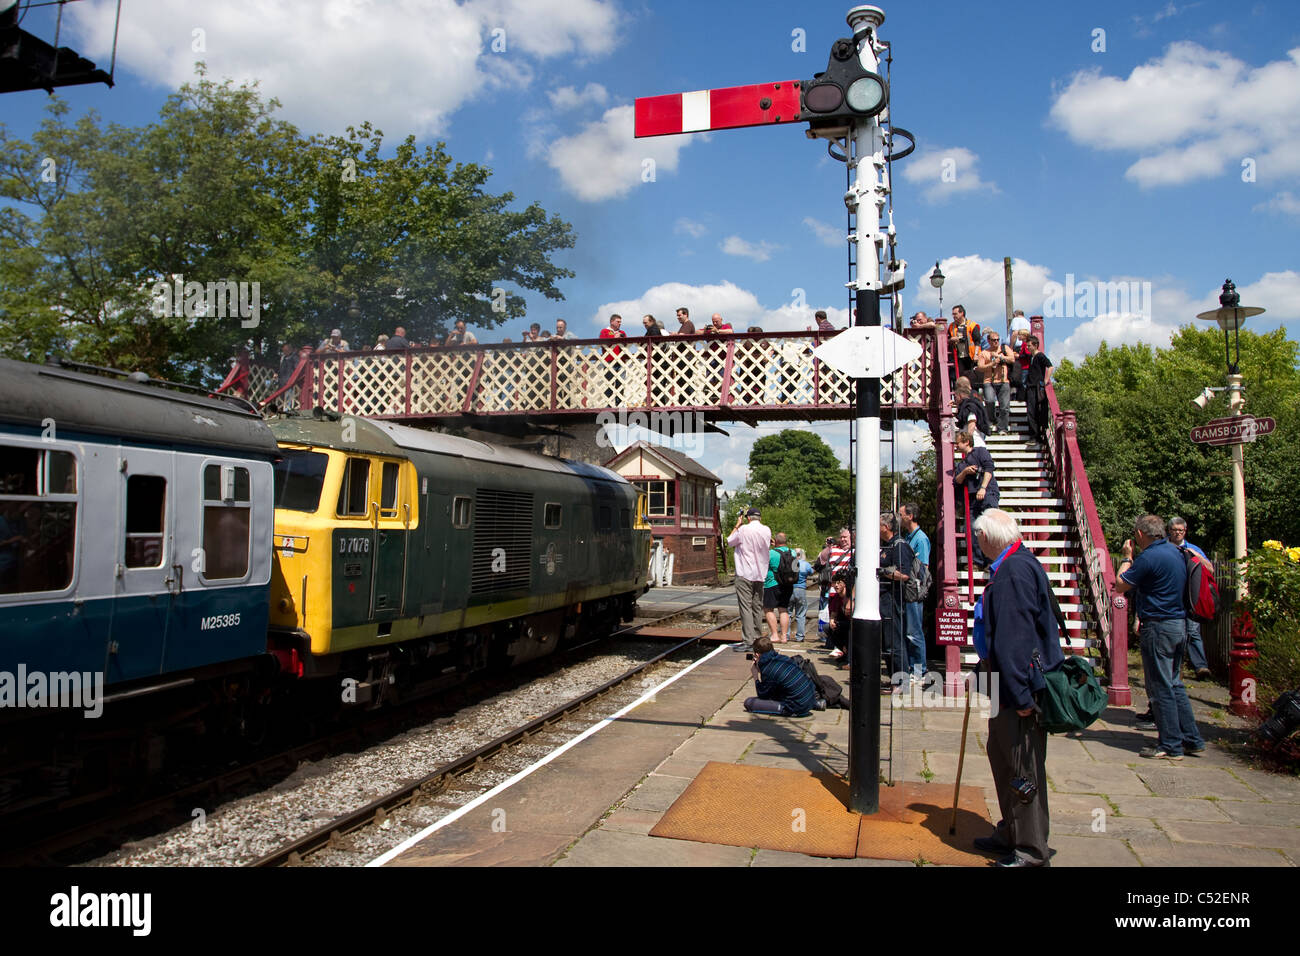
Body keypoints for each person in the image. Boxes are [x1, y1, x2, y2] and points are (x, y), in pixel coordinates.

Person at [971, 508, 1061, 867]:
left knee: (1022, 767)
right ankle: (1012, 832)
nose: (976, 544)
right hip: (1008, 686)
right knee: (1005, 758)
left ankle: (1030, 849)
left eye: (978, 537)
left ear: (987, 538)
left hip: (1017, 692)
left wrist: (1021, 694)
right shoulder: (1020, 563)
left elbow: (1014, 639)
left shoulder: (1012, 572)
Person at [1114, 515, 1206, 760]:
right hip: (1179, 624)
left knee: (1160, 687)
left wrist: (1126, 557)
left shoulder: (1150, 557)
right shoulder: (1176, 552)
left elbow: (1121, 584)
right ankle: (1192, 739)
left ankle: (1171, 745)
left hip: (1158, 625)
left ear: (1141, 534)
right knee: (1175, 683)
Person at [1167, 516, 1214, 680]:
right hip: (1171, 596)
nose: (1178, 533)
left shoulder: (1192, 548)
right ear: (1169, 531)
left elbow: (1210, 569)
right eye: (1175, 530)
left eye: (1181, 530)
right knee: (1175, 632)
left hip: (1191, 596)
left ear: (1185, 531)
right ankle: (1175, 667)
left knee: (1193, 631)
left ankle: (1201, 667)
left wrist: (1196, 555)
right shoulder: (1164, 548)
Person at [727, 507, 771, 652]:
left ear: (748, 518)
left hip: (745, 573)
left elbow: (729, 541)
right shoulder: (767, 530)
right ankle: (758, 639)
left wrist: (736, 525)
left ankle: (748, 640)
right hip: (760, 574)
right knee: (757, 607)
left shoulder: (743, 530)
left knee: (746, 607)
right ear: (760, 518)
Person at [879, 512, 915, 684]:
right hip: (885, 598)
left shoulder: (899, 546)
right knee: (887, 640)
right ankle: (895, 678)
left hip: (894, 598)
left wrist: (884, 572)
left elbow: (904, 574)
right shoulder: (888, 545)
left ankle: (901, 681)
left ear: (886, 527)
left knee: (894, 639)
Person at [744, 636, 821, 716]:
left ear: (757, 655)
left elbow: (763, 695)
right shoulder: (784, 658)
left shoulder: (768, 669)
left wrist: (755, 676)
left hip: (796, 708)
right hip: (810, 698)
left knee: (749, 703)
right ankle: (816, 704)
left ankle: (796, 709)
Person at [954, 431, 1000, 564]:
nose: (956, 445)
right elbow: (957, 481)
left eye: (958, 442)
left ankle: (992, 560)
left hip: (988, 492)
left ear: (966, 441)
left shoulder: (981, 452)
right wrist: (965, 472)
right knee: (972, 529)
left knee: (990, 527)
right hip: (973, 499)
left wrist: (983, 488)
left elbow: (989, 469)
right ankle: (977, 561)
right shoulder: (962, 464)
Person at [899, 503, 930, 681]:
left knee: (914, 631)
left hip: (914, 589)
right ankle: (912, 667)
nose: (899, 517)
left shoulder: (921, 539)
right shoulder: (909, 536)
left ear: (910, 516)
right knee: (908, 630)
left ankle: (920, 669)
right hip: (908, 588)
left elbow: (923, 567)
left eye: (901, 514)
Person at [978, 331, 1016, 434]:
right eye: (994, 340)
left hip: (1004, 381)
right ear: (989, 341)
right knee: (989, 401)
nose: (996, 342)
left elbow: (1012, 359)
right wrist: (992, 364)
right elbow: (980, 367)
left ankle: (1002, 427)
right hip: (989, 381)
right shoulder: (984, 353)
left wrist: (1001, 357)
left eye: (998, 340)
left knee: (1004, 407)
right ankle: (992, 419)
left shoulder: (1004, 349)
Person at [763, 532, 794, 644]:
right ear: (785, 541)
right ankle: (784, 636)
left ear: (775, 541)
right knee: (783, 609)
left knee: (768, 609)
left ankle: (775, 635)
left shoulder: (770, 553)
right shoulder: (793, 552)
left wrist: (770, 547)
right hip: (788, 585)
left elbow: (763, 565)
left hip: (771, 584)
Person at [1024, 335, 1052, 446]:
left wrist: (1045, 379)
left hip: (1035, 387)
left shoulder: (1039, 356)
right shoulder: (1032, 357)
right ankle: (1036, 436)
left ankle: (1034, 436)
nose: (1028, 347)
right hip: (1031, 386)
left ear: (1035, 345)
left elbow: (1050, 366)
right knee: (1032, 411)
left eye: (1029, 345)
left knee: (1033, 412)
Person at [825, 568, 854, 660]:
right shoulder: (836, 598)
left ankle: (850, 657)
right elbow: (833, 613)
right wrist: (831, 621)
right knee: (828, 627)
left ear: (844, 584)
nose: (836, 586)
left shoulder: (850, 596)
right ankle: (844, 651)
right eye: (834, 583)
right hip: (843, 623)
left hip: (852, 623)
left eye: (839, 583)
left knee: (849, 629)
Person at [947, 304, 980, 381]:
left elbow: (977, 342)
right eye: (953, 314)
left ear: (962, 313)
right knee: (960, 378)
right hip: (958, 357)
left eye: (955, 314)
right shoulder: (951, 326)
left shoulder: (972, 325)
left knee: (971, 379)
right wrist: (951, 339)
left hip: (971, 357)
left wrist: (976, 355)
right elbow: (947, 340)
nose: (953, 316)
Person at [788, 548, 814, 642]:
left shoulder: (790, 563)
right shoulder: (805, 564)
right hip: (801, 589)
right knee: (801, 614)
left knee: (788, 613)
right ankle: (800, 636)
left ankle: (786, 634)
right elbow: (811, 572)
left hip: (789, 589)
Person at [954, 378, 989, 447]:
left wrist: (968, 440)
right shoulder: (976, 395)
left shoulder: (969, 405)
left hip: (974, 439)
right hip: (981, 428)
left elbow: (972, 422)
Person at [599, 313, 627, 400]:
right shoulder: (604, 331)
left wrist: (621, 338)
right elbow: (602, 344)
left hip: (621, 361)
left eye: (620, 322)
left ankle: (619, 404)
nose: (620, 323)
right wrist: (614, 337)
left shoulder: (622, 332)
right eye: (618, 321)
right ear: (612, 322)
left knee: (620, 384)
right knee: (609, 384)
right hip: (609, 361)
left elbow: (626, 344)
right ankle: (609, 405)